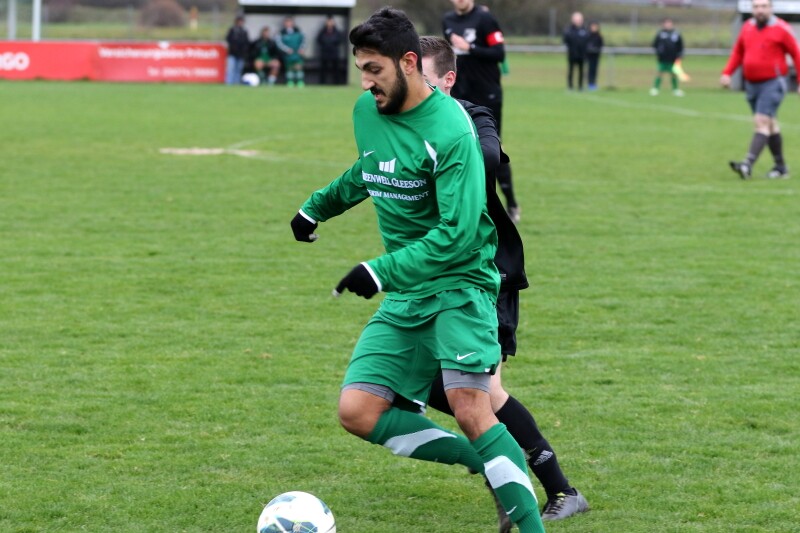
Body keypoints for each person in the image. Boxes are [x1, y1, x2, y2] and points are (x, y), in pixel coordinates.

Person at [290, 8, 545, 533]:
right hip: (409, 291)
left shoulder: (452, 131)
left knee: (470, 408)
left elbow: (459, 234)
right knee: (358, 411)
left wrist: (379, 271)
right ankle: (492, 466)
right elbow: (371, 167)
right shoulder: (367, 110)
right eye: (361, 69)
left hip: (460, 285)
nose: (366, 82)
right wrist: (316, 208)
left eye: (375, 69)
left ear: (409, 63)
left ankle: (523, 511)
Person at [420, 35, 589, 528]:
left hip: (488, 274)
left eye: (424, 79)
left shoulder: (472, 117)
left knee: (483, 390)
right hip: (439, 275)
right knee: (428, 383)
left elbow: (490, 157)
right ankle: (509, 469)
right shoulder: (403, 123)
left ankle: (558, 488)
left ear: (448, 79)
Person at [443, 0, 521, 224]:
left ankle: (511, 203)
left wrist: (470, 48)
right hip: (459, 94)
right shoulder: (447, 21)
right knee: (458, 146)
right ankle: (465, 205)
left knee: (493, 148)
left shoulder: (485, 19)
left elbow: (499, 53)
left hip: (487, 94)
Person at [722, 0, 800, 180]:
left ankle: (747, 164)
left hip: (773, 82)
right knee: (770, 125)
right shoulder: (747, 27)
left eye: (764, 6)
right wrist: (727, 73)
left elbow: (796, 54)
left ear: (771, 8)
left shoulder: (781, 28)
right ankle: (781, 168)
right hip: (752, 84)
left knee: (761, 121)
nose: (760, 10)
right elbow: (738, 52)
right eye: (756, 7)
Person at [650, 18, 684, 97]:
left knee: (674, 74)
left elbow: (680, 45)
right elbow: (655, 44)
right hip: (663, 58)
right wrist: (659, 52)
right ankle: (655, 89)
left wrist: (679, 55)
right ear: (663, 25)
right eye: (666, 24)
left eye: (669, 24)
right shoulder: (660, 34)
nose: (668, 25)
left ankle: (675, 89)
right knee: (660, 73)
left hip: (673, 58)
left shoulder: (676, 34)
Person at [562, 12, 588, 92]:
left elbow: (587, 40)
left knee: (581, 71)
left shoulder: (584, 30)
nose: (578, 21)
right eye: (576, 19)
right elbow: (565, 40)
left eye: (579, 19)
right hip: (572, 54)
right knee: (571, 70)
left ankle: (580, 86)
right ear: (573, 20)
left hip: (582, 54)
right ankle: (570, 86)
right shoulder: (569, 30)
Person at [278, 16, 306, 87]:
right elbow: (279, 43)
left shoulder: (298, 31)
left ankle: (300, 81)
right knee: (289, 68)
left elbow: (304, 40)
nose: (288, 23)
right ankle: (290, 81)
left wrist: (302, 49)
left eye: (290, 22)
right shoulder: (281, 33)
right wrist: (287, 49)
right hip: (288, 54)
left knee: (298, 67)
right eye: (287, 22)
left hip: (297, 53)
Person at [317, 15, 344, 85]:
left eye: (331, 22)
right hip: (324, 53)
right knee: (323, 69)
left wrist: (331, 43)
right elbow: (319, 40)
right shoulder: (322, 31)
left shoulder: (336, 31)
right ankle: (322, 83)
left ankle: (336, 83)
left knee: (335, 69)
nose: (330, 23)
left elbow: (339, 40)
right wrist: (326, 43)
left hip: (334, 53)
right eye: (328, 22)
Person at [225, 15, 250, 85]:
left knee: (238, 70)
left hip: (241, 54)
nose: (240, 23)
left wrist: (244, 51)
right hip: (232, 53)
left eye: (241, 21)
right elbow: (228, 40)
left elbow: (246, 42)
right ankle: (229, 83)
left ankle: (236, 83)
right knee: (231, 69)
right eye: (239, 21)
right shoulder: (232, 30)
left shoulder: (244, 31)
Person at [586, 22, 603, 91]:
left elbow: (601, 45)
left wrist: (597, 49)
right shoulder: (588, 35)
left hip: (596, 56)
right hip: (589, 56)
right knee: (590, 70)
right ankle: (589, 83)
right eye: (593, 26)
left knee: (594, 70)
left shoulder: (599, 36)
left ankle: (593, 83)